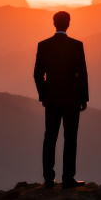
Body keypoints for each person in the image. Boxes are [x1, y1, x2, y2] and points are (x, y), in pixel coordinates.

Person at [33, 11, 89, 189]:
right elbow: (82, 74)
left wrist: (44, 95)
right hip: (72, 99)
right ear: (69, 23)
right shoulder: (76, 45)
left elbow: (37, 74)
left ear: (53, 23)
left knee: (50, 138)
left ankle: (48, 179)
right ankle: (68, 179)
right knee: (70, 138)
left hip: (51, 99)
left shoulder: (43, 45)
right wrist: (84, 98)